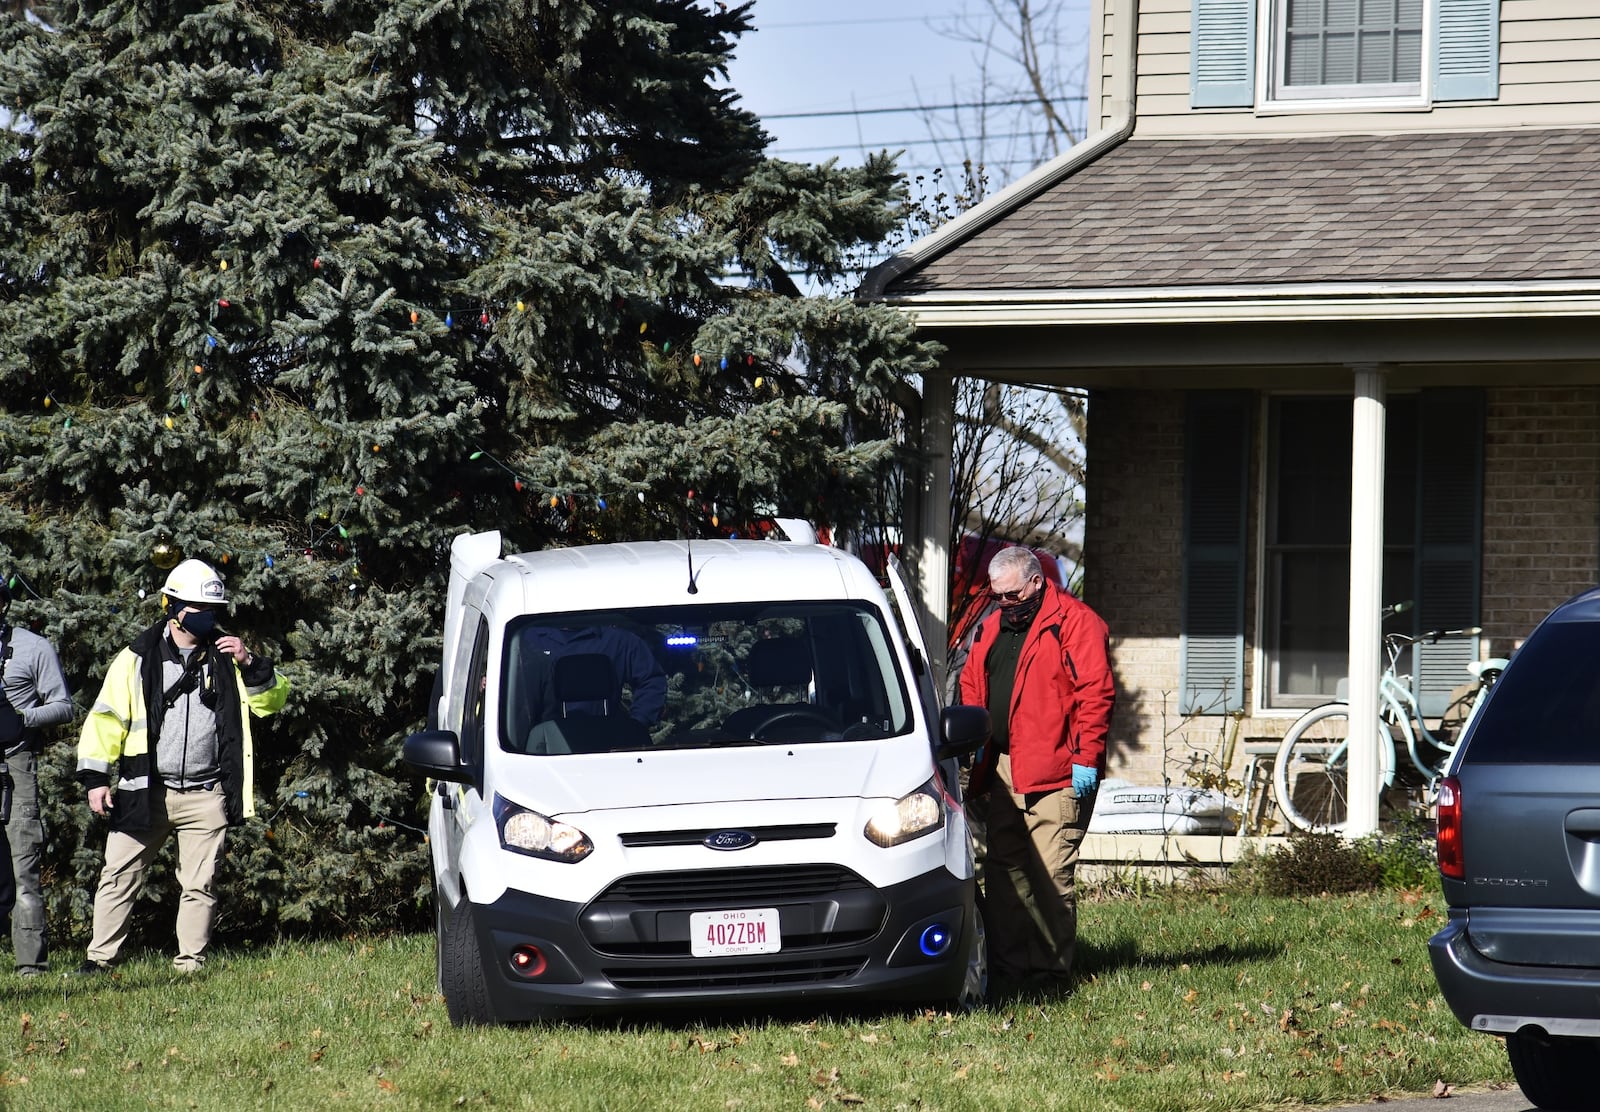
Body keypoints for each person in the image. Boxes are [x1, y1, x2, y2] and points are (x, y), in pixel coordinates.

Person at [75, 558, 290, 974]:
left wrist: (250, 663)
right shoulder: (136, 658)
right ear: (171, 608)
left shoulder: (229, 655)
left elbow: (272, 703)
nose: (209, 617)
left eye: (213, 610)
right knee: (118, 876)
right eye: (198, 608)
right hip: (145, 791)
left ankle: (190, 965)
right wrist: (96, 778)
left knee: (200, 885)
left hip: (207, 793)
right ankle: (99, 961)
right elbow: (106, 718)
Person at [958, 546, 1115, 989]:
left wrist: (1086, 759)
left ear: (1036, 582)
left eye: (1011, 596)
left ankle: (1049, 978)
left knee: (1050, 878)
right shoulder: (991, 628)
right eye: (997, 597)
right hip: (1004, 768)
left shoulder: (1076, 623)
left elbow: (1095, 694)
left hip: (1059, 770)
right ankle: (1009, 974)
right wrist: (975, 742)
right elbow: (972, 683)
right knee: (1004, 877)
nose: (1004, 604)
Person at [0, 580, 74, 976]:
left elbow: (64, 705)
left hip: (16, 765)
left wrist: (23, 719)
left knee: (23, 865)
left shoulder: (33, 647)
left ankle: (31, 967)